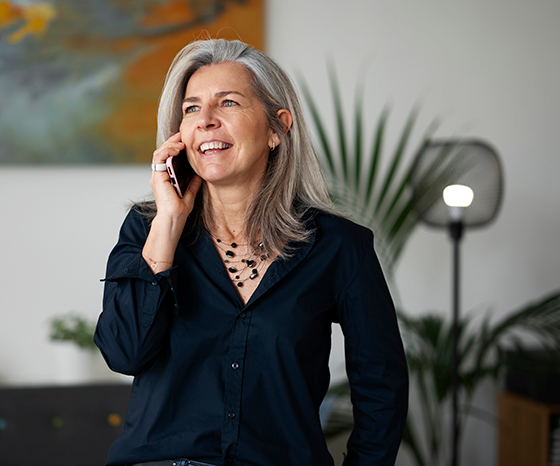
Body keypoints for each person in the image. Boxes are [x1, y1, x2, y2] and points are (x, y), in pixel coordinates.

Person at [94, 38, 408, 466]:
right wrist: (167, 222)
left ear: (277, 128)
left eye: (227, 103)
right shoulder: (148, 229)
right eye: (190, 109)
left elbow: (381, 386)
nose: (205, 121)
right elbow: (124, 352)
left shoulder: (339, 247)